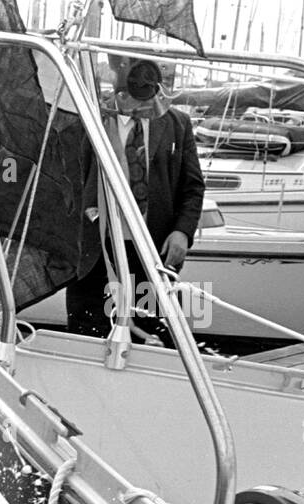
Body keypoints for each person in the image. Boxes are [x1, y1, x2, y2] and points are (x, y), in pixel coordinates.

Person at [64, 47, 205, 340]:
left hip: (153, 249)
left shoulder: (177, 124)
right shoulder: (91, 118)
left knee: (158, 336)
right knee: (88, 335)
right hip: (95, 250)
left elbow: (192, 186)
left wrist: (182, 232)